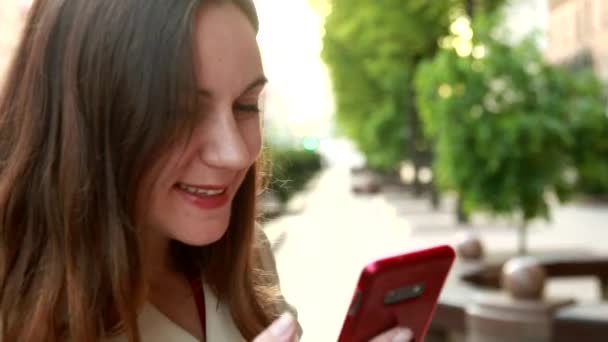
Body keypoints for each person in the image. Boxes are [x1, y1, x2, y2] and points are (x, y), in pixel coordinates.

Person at [0, 0, 412, 341]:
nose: (235, 153)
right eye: (180, 112)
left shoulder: (250, 257)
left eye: (246, 106)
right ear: (86, 118)